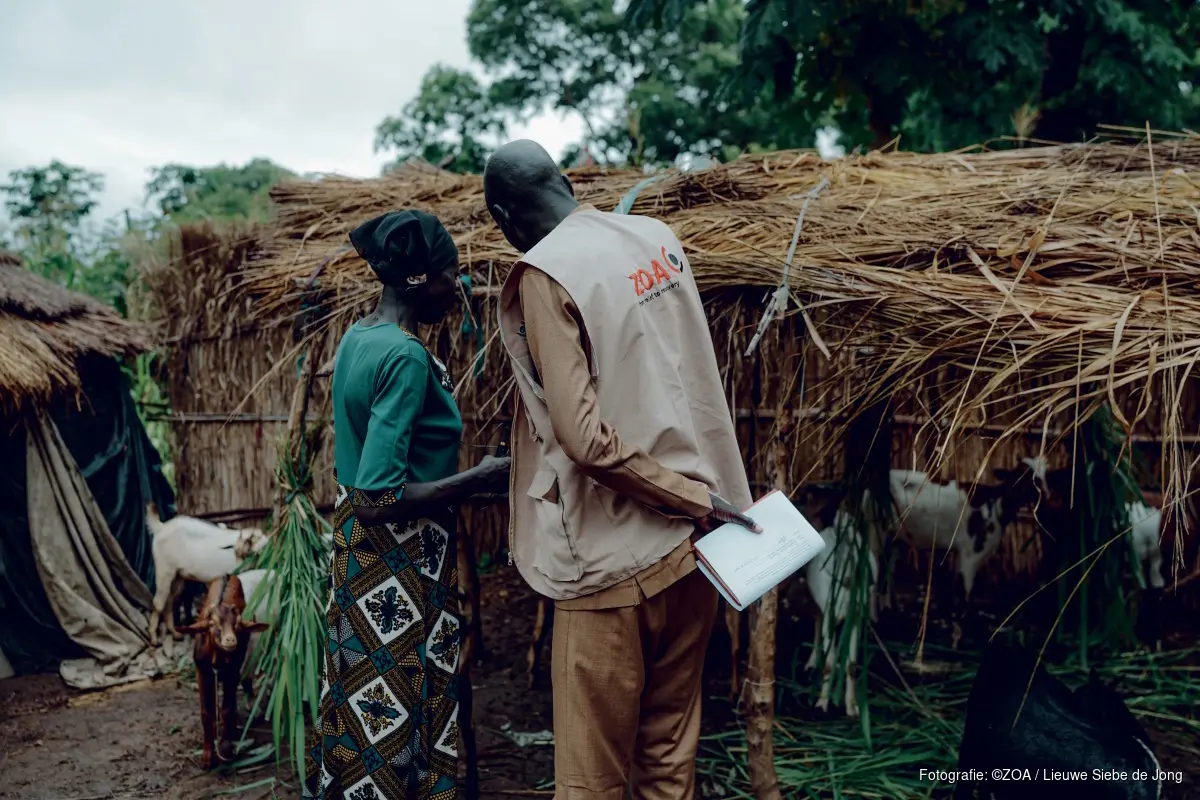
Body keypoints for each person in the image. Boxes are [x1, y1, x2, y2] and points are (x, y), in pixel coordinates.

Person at [485, 140, 759, 800]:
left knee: (591, 780)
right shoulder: (655, 239)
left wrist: (684, 497)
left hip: (613, 564)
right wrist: (702, 501)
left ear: (503, 216)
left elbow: (583, 441)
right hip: (697, 550)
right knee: (667, 759)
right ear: (564, 181)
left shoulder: (547, 273)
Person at [304, 210, 509, 800]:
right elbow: (379, 499)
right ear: (420, 280)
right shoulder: (406, 357)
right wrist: (478, 478)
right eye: (452, 275)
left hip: (358, 556)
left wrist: (470, 481)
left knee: (361, 699)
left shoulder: (359, 337)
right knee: (394, 707)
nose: (457, 288)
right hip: (398, 563)